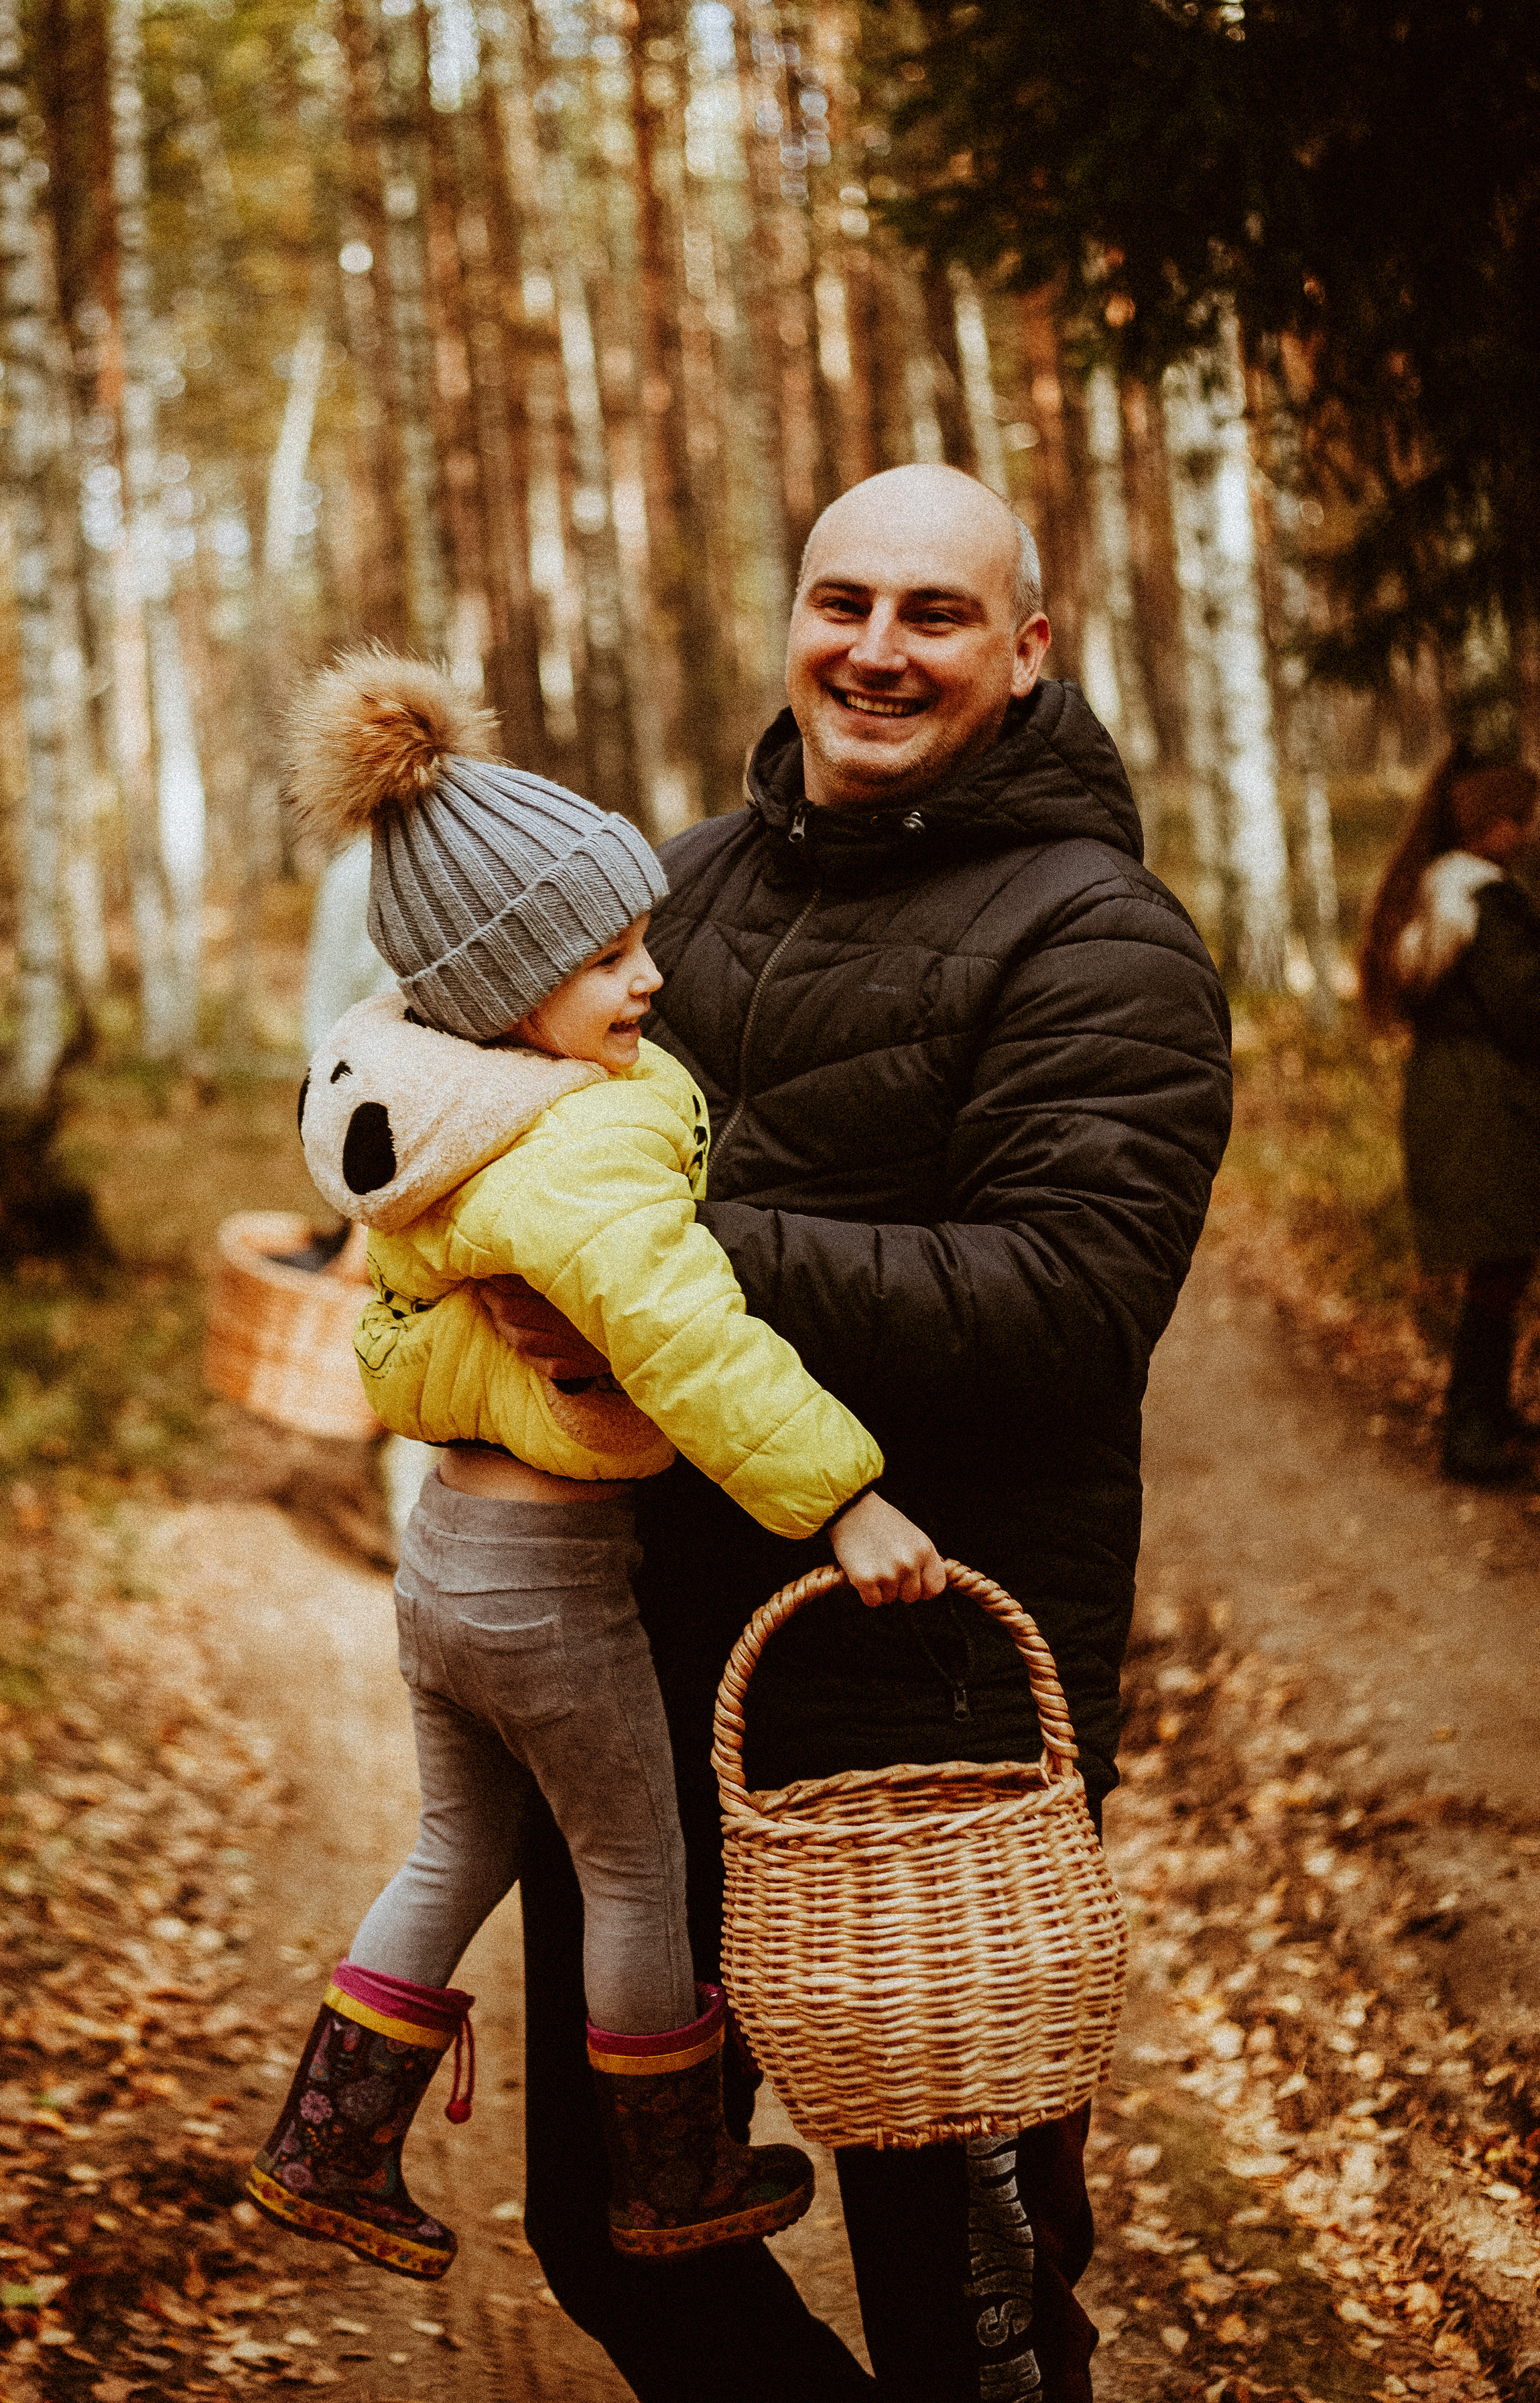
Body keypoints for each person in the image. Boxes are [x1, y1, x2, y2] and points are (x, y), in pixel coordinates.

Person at [483, 464, 1235, 2402]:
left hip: (926, 1723)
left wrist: (682, 1262)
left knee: (965, 2308)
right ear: (792, 617)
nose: (877, 652)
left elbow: (1070, 1305)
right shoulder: (672, 896)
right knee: (619, 2233)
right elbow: (508, 1149)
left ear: (1028, 650)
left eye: (935, 613)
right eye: (844, 602)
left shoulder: (1103, 942)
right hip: (648, 1691)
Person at [245, 651, 947, 2282]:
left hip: (444, 1568)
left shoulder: (427, 1104)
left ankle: (325, 2142)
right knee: (635, 1860)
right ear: (500, 987)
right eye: (602, 958)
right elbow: (685, 1331)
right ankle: (671, 2168)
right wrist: (839, 1496)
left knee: (455, 1848)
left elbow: (398, 1339)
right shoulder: (579, 1138)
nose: (644, 981)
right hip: (554, 1586)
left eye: (640, 942)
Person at [1359, 746, 1540, 1484]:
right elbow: (1525, 1011)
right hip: (1486, 1109)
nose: (1529, 833)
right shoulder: (1486, 902)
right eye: (1522, 819)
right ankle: (1469, 1435)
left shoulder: (1434, 893)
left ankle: (1484, 1415)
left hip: (1455, 1102)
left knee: (1495, 1267)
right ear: (1493, 826)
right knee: (1497, 1268)